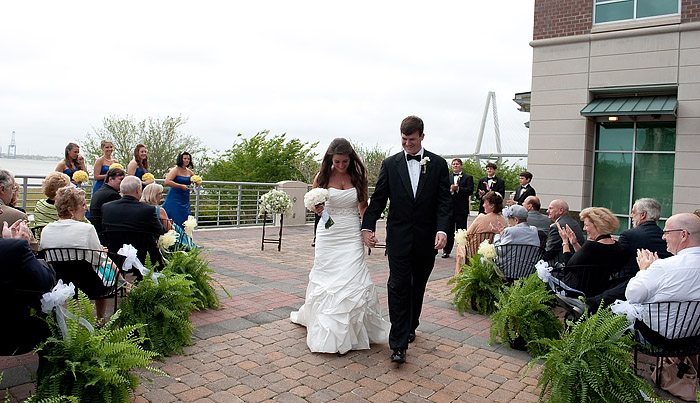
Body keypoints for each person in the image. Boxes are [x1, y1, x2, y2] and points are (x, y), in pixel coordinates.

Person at [361, 116, 452, 364]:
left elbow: (444, 202)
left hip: (426, 239)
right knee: (398, 286)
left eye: (411, 140)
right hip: (399, 237)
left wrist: (443, 230)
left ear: (422, 136)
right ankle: (398, 344)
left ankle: (411, 324)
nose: (407, 144)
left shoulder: (439, 164)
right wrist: (367, 226)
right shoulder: (390, 164)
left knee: (417, 285)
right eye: (403, 140)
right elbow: (379, 198)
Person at [291, 138, 390, 355]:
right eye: (337, 162)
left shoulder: (358, 176)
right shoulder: (323, 177)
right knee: (328, 279)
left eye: (345, 161)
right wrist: (317, 209)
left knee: (354, 277)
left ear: (350, 159)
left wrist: (368, 231)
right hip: (329, 233)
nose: (341, 166)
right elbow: (315, 204)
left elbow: (363, 207)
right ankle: (328, 328)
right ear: (330, 159)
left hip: (351, 232)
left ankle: (354, 330)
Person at [40, 186, 124, 320]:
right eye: (83, 204)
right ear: (70, 210)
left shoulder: (46, 230)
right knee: (105, 263)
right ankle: (100, 317)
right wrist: (101, 252)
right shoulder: (87, 229)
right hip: (91, 284)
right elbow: (98, 261)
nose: (87, 208)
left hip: (60, 282)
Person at [585, 198, 671, 311]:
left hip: (627, 289)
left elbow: (615, 264)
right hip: (659, 291)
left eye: (633, 212)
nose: (630, 216)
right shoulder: (666, 238)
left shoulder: (629, 235)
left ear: (643, 215)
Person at [625, 213, 700, 337]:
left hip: (657, 339)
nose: (663, 237)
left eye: (666, 232)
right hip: (695, 339)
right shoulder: (663, 267)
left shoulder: (663, 267)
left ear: (683, 235)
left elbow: (632, 295)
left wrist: (644, 270)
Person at [0, 237, 55, 355]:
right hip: (20, 333)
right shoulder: (16, 247)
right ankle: (53, 365)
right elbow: (45, 282)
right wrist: (20, 246)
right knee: (51, 303)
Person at [556, 207, 626, 297]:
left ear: (598, 226)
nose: (584, 229)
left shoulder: (591, 246)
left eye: (586, 225)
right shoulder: (616, 246)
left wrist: (565, 242)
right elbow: (585, 258)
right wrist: (574, 243)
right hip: (602, 290)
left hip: (580, 291)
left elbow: (568, 266)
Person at [102, 176, 165, 267]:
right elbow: (160, 231)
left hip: (115, 255)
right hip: (142, 256)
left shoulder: (106, 207)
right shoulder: (147, 209)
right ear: (137, 189)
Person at [142, 183, 196, 251]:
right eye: (160, 193)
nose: (162, 196)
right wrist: (170, 224)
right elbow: (170, 229)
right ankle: (189, 248)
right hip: (159, 240)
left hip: (144, 239)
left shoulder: (139, 207)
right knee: (176, 228)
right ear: (154, 195)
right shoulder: (159, 210)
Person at [442, 158, 473, 259]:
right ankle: (446, 251)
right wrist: (451, 190)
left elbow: (470, 190)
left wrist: (458, 189)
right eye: (453, 164)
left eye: (457, 164)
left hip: (461, 209)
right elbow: (443, 191)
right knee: (448, 231)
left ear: (461, 166)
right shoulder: (448, 177)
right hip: (449, 209)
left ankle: (463, 250)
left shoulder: (468, 177)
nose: (455, 166)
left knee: (461, 231)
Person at [89, 167, 125, 243]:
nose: (123, 182)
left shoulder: (100, 191)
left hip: (97, 231)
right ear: (110, 179)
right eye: (120, 179)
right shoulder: (112, 195)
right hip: (104, 234)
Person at [544, 199, 585, 264]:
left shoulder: (557, 227)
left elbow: (549, 252)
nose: (547, 211)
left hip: (561, 267)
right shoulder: (574, 223)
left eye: (550, 208)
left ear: (561, 210)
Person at [162, 151, 195, 226]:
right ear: (181, 159)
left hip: (184, 198)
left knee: (185, 217)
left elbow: (194, 180)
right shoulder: (175, 170)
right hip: (175, 197)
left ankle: (184, 235)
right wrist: (180, 186)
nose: (187, 160)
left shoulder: (189, 172)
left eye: (188, 159)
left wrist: (196, 182)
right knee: (175, 215)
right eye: (185, 158)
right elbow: (167, 181)